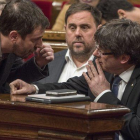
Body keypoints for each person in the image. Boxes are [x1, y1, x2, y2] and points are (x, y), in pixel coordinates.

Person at [10, 19, 140, 140]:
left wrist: (104, 95)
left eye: (101, 51)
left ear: (124, 58)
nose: (95, 54)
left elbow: (136, 130)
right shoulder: (105, 68)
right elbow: (71, 86)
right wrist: (33, 88)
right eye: (96, 48)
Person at [37, 3, 101, 84]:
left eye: (84, 27)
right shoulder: (50, 63)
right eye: (72, 28)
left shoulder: (109, 66)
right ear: (65, 29)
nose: (77, 33)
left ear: (99, 31)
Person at [0, 0, 54, 93]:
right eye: (34, 39)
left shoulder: (12, 50)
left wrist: (38, 63)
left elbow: (12, 82)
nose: (40, 45)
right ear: (14, 36)